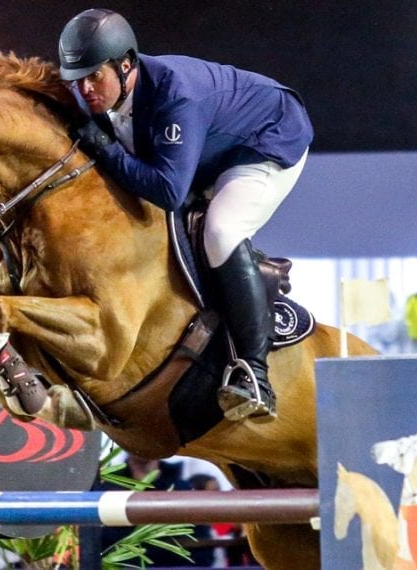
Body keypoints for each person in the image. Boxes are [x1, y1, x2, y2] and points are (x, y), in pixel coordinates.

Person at [58, 8, 313, 421]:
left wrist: (104, 149)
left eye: (94, 77)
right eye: (76, 80)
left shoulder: (177, 95)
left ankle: (254, 374)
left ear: (126, 66)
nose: (84, 90)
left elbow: (167, 191)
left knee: (220, 229)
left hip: (268, 138)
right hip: (211, 146)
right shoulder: (98, 88)